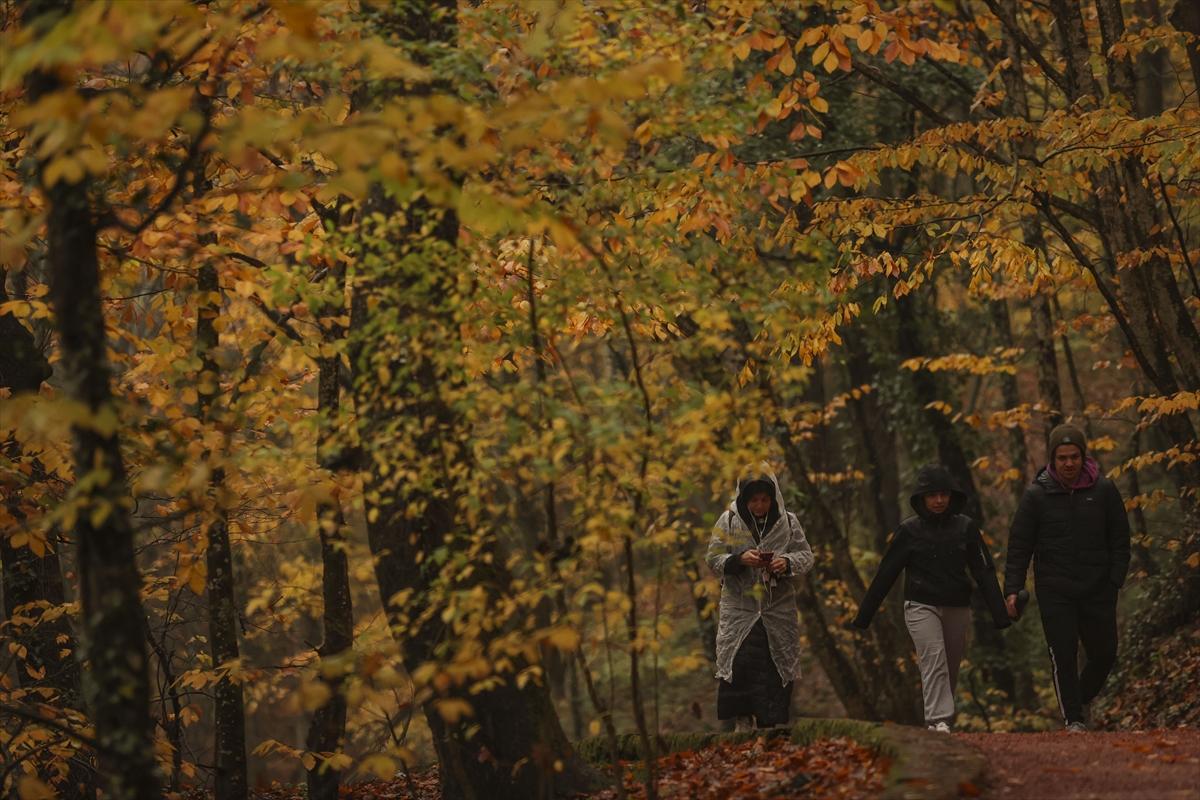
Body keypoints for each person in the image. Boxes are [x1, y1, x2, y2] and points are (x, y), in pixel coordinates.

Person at [852, 464, 1010, 732]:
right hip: (920, 605)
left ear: (951, 496)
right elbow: (886, 574)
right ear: (922, 498)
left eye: (943, 495)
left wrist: (1000, 615)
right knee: (933, 657)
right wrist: (863, 617)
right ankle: (939, 720)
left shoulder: (966, 528)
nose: (938, 501)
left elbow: (983, 571)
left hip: (957, 605)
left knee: (949, 664)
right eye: (932, 495)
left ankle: (937, 720)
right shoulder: (909, 531)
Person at [1004, 424, 1130, 732]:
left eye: (1074, 456)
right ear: (1052, 459)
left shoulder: (1104, 490)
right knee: (1063, 652)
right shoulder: (1036, 495)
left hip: (1098, 588)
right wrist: (1012, 589)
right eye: (1062, 458)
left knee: (1104, 653)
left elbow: (1121, 540)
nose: (1069, 463)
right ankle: (1073, 718)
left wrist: (1114, 581)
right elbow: (1020, 546)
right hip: (1055, 590)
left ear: (1083, 456)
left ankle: (1078, 697)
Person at [705, 467, 814, 731]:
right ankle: (742, 725)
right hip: (739, 609)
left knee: (773, 666)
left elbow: (805, 556)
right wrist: (739, 559)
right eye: (753, 500)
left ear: (773, 498)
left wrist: (785, 563)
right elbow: (713, 558)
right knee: (739, 663)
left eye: (764, 499)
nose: (759, 505)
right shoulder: (728, 521)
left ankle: (770, 727)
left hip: (778, 609)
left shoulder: (788, 521)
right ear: (744, 499)